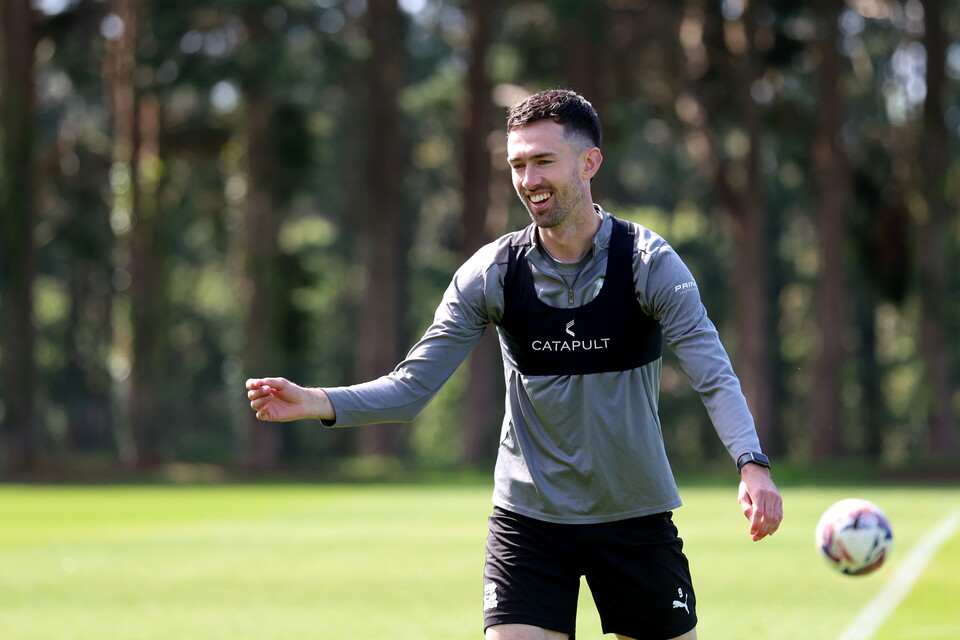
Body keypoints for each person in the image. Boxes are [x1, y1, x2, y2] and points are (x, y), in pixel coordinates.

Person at [246, 89, 783, 640]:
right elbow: (412, 389)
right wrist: (318, 401)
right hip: (529, 522)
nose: (528, 180)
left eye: (543, 161)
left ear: (590, 162)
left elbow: (712, 374)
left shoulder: (649, 263)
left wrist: (751, 463)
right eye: (517, 165)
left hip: (634, 516)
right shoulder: (492, 273)